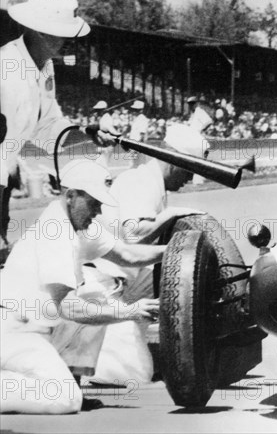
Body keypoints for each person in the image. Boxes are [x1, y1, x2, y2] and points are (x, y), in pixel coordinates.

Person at [0, 160, 166, 414]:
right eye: (93, 203)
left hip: (35, 330)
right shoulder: (54, 232)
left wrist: (179, 250)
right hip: (14, 333)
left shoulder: (80, 225)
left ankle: (70, 380)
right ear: (71, 196)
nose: (98, 211)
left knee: (94, 295)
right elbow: (68, 308)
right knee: (65, 400)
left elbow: (129, 255)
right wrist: (129, 312)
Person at [81, 124, 210, 386]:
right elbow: (134, 236)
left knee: (176, 277)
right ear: (173, 162)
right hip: (100, 288)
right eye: (189, 170)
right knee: (128, 374)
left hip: (120, 282)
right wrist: (172, 216)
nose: (190, 179)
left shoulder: (151, 183)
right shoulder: (140, 181)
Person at [0, 0, 117, 263]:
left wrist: (89, 133)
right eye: (61, 32)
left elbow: (49, 125)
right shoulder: (8, 69)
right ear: (39, 29)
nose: (67, 40)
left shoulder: (44, 66)